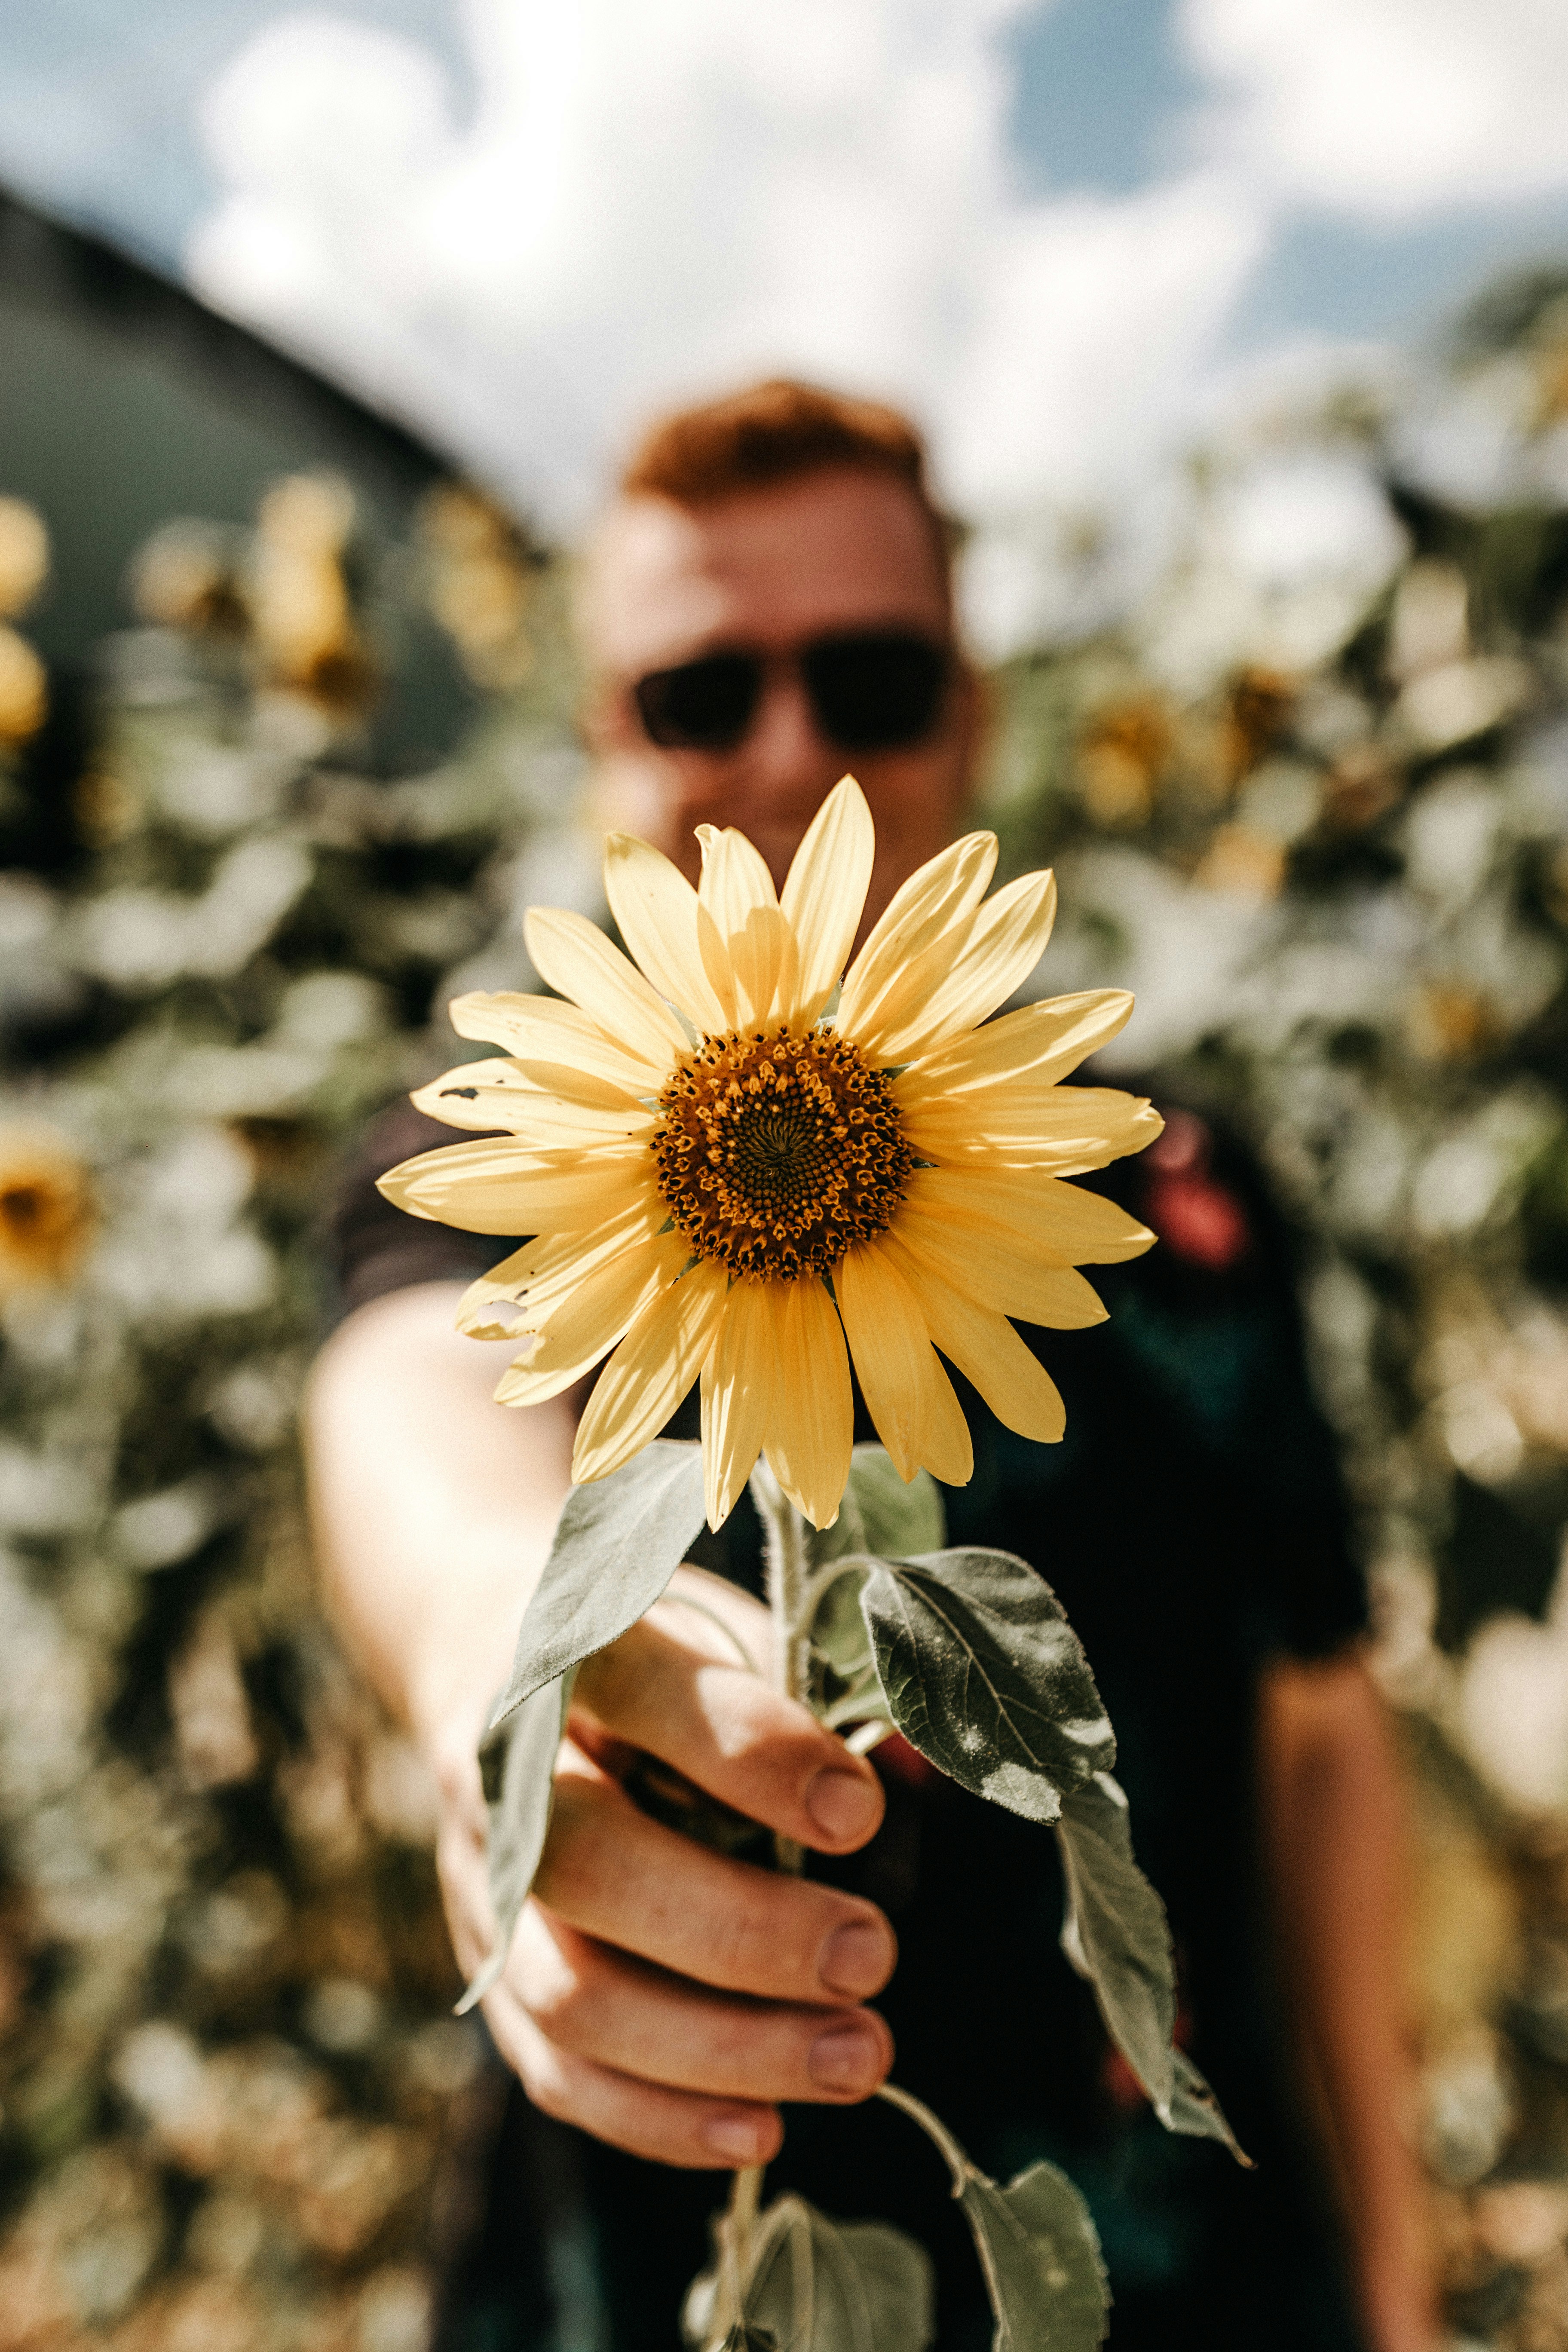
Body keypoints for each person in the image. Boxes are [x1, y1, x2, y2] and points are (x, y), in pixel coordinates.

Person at [306, 380, 1437, 2351]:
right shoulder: (522, 1133)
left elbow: (1323, 1739)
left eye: (871, 676)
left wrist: (1402, 2274)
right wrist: (519, 1665)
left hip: (1186, 2274)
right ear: (605, 741)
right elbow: (420, 1430)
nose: (790, 755)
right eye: (698, 694)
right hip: (669, 2271)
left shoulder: (1172, 1200)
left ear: (971, 712)